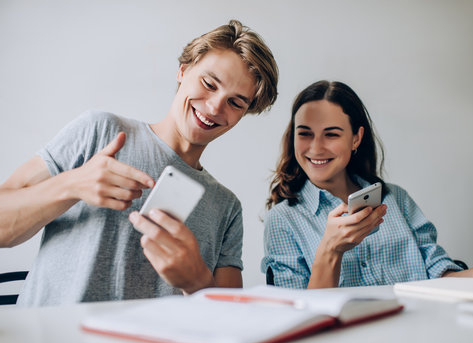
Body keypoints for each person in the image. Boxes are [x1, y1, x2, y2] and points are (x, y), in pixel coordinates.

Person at [0, 20, 279, 306]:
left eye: (236, 103)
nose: (215, 107)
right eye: (209, 84)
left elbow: (233, 323)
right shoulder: (101, 131)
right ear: (183, 70)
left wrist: (197, 282)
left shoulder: (227, 207)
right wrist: (71, 184)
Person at [261, 80, 473, 289]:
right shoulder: (283, 220)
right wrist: (330, 249)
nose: (315, 148)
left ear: (356, 138)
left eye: (331, 134)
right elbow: (297, 316)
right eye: (305, 134)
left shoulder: (396, 199)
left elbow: (438, 274)